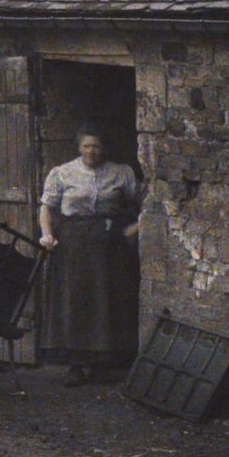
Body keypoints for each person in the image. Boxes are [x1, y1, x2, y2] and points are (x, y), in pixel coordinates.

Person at [37, 128, 146, 386]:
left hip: (109, 247)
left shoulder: (121, 173)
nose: (91, 151)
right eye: (87, 146)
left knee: (104, 301)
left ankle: (101, 363)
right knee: (75, 301)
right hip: (73, 246)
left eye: (96, 146)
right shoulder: (63, 173)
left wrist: (135, 228)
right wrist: (47, 234)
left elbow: (146, 202)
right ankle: (75, 364)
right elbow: (47, 207)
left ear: (103, 148)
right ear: (79, 147)